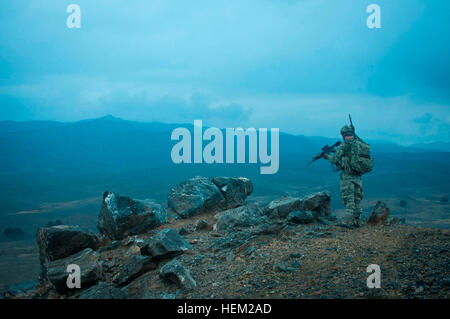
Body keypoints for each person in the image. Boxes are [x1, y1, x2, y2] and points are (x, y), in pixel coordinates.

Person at [323, 125, 363, 227]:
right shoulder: (360, 144)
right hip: (358, 176)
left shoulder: (344, 145)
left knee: (349, 199)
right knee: (357, 199)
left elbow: (334, 160)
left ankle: (347, 222)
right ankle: (357, 221)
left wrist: (327, 156)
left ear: (344, 134)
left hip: (348, 177)